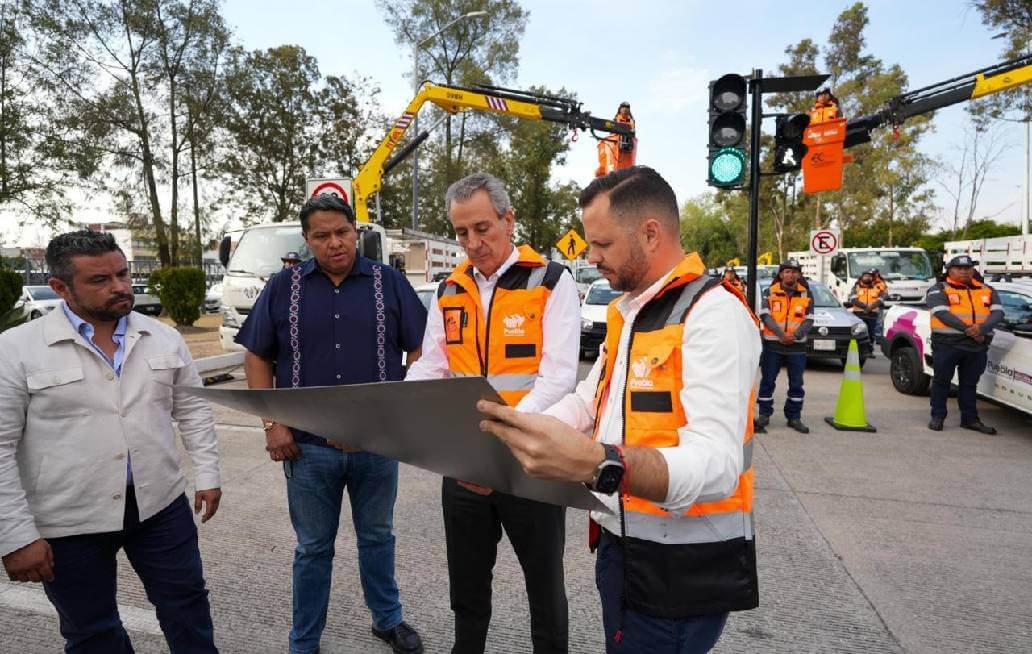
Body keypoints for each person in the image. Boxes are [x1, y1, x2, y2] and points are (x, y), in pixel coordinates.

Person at [477, 166, 761, 653]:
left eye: (602, 244)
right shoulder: (629, 313)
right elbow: (589, 401)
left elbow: (718, 464)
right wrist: (519, 430)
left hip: (680, 571)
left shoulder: (713, 314)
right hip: (623, 547)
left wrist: (600, 463)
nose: (591, 257)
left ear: (650, 234)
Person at [0, 230, 223, 653]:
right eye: (100, 280)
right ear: (61, 287)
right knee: (92, 630)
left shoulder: (162, 337)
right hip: (69, 518)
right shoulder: (16, 350)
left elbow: (192, 410)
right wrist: (14, 536)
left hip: (160, 506)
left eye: (122, 274)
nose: (120, 286)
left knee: (187, 606)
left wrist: (208, 475)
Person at [235, 194, 427, 654]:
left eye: (342, 232)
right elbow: (256, 356)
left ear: (355, 231)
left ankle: (387, 619)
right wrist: (272, 425)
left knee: (377, 538)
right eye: (321, 236)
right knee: (313, 548)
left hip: (376, 446)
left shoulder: (389, 282)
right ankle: (305, 641)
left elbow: (421, 349)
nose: (334, 243)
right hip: (306, 449)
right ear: (307, 239)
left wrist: (396, 417)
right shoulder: (282, 287)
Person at [406, 172, 579, 654]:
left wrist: (501, 440)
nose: (472, 243)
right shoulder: (449, 289)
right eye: (461, 232)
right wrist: (393, 409)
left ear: (508, 220)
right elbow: (432, 367)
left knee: (544, 586)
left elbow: (558, 377)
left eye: (482, 228)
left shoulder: (550, 281)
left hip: (531, 461)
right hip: (465, 467)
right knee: (467, 587)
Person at [925, 255, 1004, 434]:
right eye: (959, 268)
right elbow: (942, 314)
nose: (964, 271)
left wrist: (982, 329)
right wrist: (971, 330)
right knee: (942, 381)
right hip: (947, 344)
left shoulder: (987, 289)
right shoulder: (939, 289)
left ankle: (970, 420)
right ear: (950, 271)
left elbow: (998, 313)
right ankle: (937, 417)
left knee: (969, 384)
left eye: (968, 268)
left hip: (977, 345)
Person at [756, 260, 814, 434]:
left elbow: (809, 319)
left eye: (794, 271)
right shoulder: (770, 292)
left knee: (796, 384)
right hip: (773, 345)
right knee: (767, 381)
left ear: (799, 274)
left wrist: (794, 336)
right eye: (787, 271)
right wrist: (781, 334)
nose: (791, 274)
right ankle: (764, 415)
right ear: (781, 274)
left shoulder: (806, 294)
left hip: (797, 347)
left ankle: (794, 417)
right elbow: (765, 315)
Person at [848, 268, 884, 350]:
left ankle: (870, 349)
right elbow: (853, 299)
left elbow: (881, 299)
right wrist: (865, 307)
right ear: (862, 277)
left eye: (869, 276)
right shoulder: (856, 286)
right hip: (859, 314)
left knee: (871, 333)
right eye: (866, 276)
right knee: (857, 332)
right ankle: (857, 348)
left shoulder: (877, 287)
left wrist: (870, 308)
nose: (867, 278)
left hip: (872, 314)